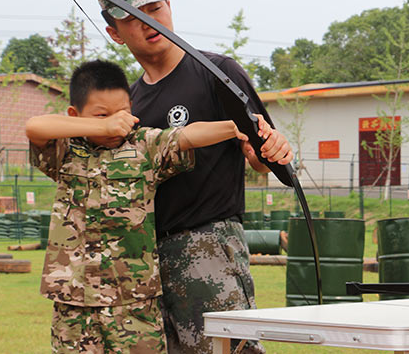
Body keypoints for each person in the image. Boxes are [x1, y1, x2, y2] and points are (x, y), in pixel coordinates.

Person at [91, 0, 292, 354]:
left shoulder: (217, 72)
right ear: (115, 33)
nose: (149, 21)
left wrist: (269, 150)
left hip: (209, 247)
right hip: (146, 259)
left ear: (169, 5)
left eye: (154, 8)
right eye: (133, 16)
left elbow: (263, 153)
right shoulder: (129, 104)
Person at [26, 59, 275, 354]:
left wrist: (238, 126)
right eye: (102, 113)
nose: (116, 122)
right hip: (74, 302)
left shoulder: (143, 146)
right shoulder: (66, 152)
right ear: (75, 115)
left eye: (123, 112)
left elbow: (186, 135)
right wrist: (99, 125)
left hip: (134, 301)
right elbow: (35, 126)